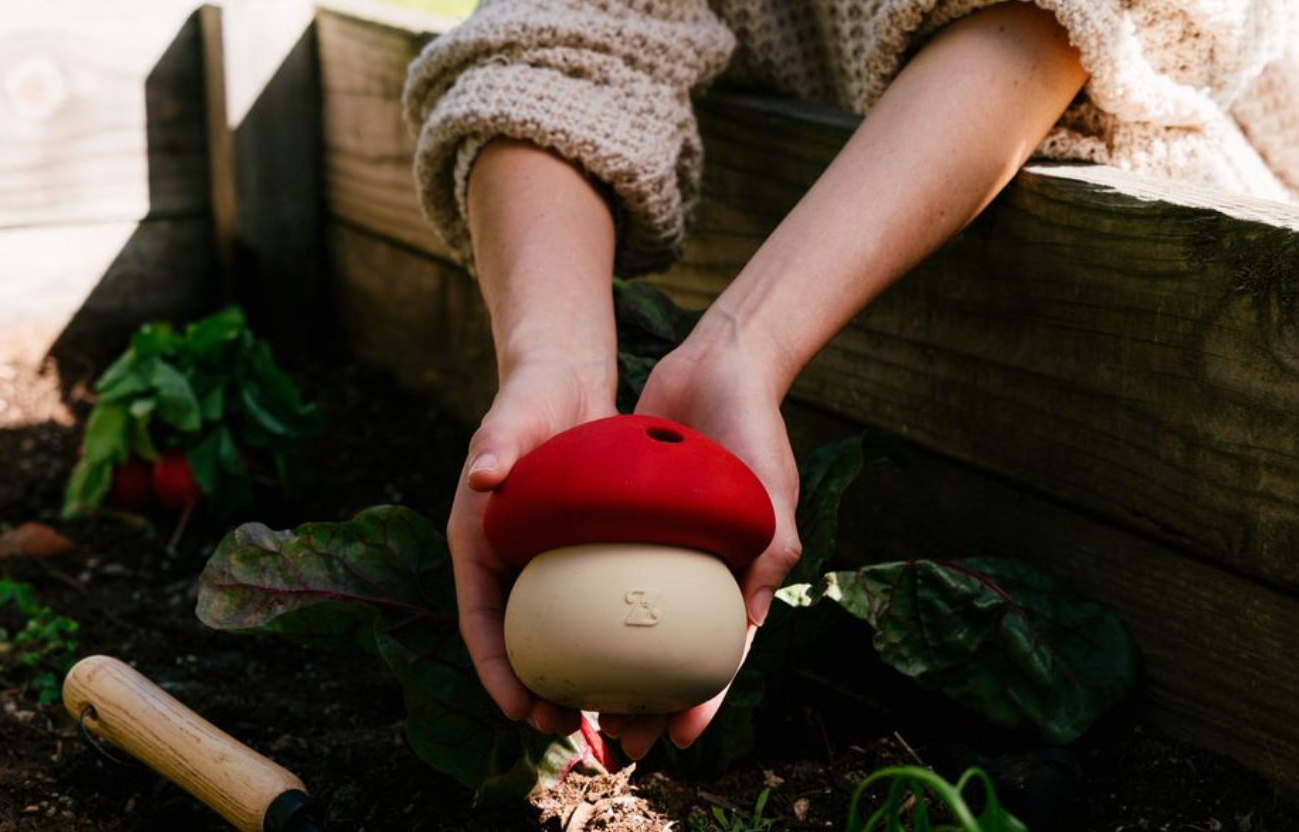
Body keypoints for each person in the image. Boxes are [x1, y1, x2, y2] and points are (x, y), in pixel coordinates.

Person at [402, 0, 1299, 761]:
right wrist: (556, 360)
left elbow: (1071, 17)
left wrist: (750, 341)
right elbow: (551, 46)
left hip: (1196, 355)